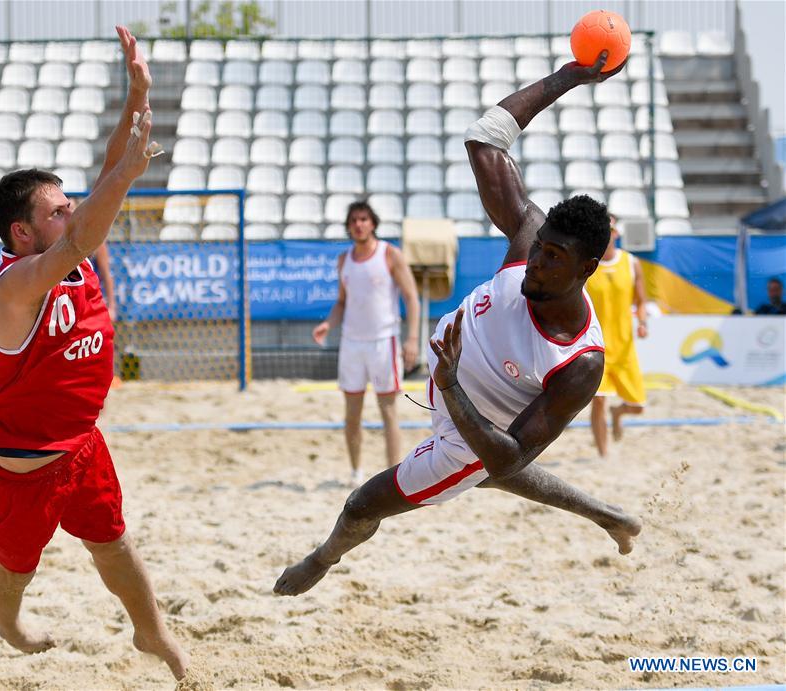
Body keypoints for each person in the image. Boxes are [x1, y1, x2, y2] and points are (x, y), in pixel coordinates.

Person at [275, 52, 642, 598]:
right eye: (538, 250)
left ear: (586, 269)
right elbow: (485, 140)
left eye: (553, 260)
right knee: (490, 475)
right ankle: (607, 514)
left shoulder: (580, 362)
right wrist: (569, 78)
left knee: (366, 502)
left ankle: (322, 559)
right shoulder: (528, 238)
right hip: (443, 380)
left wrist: (450, 385)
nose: (536, 264)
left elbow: (507, 455)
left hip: (469, 436)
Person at [0, 27, 192, 684]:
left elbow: (109, 167)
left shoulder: (71, 251)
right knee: (16, 568)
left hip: (82, 442)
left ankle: (153, 633)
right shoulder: (13, 285)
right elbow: (91, 218)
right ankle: (6, 620)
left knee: (112, 542)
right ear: (23, 231)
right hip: (22, 466)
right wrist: (125, 176)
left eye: (71, 207)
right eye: (59, 210)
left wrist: (138, 92)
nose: (73, 214)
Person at [313, 200, 420, 486]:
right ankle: (356, 472)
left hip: (383, 341)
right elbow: (341, 302)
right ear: (349, 226)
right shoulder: (344, 260)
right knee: (352, 415)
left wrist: (412, 339)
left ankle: (394, 477)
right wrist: (328, 323)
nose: (359, 224)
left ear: (372, 223)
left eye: (363, 219)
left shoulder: (389, 254)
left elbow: (411, 297)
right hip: (351, 343)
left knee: (388, 411)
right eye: (354, 220)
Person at [586, 215, 648, 457]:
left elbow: (641, 301)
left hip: (624, 348)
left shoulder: (631, 263)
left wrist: (642, 322)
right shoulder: (587, 265)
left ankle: (618, 414)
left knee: (638, 407)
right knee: (599, 401)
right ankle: (603, 455)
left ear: (617, 233)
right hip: (595, 347)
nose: (606, 234)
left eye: (609, 229)